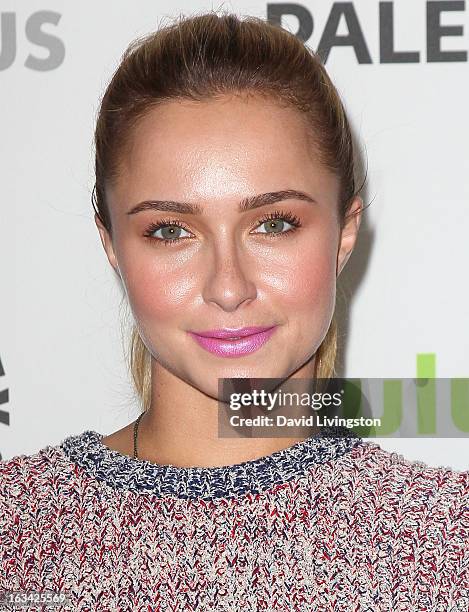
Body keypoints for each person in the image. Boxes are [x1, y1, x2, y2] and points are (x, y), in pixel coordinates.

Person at [1, 11, 467, 611]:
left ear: (344, 232)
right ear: (112, 245)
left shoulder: (446, 544)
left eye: (274, 224)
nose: (228, 286)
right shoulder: (17, 540)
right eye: (170, 231)